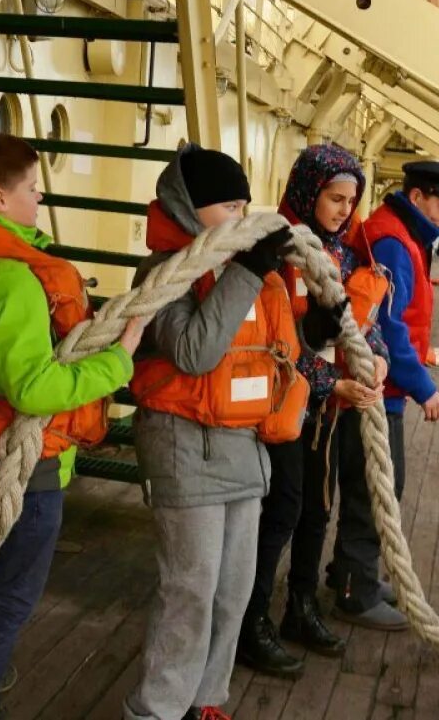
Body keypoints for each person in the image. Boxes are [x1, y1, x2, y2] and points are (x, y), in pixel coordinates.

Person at [0, 132, 144, 720]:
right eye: (31, 187)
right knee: (9, 595)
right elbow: (34, 390)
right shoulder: (9, 279)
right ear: (0, 200)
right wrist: (119, 358)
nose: (39, 194)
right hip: (20, 460)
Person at [123, 145, 307, 720]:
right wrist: (250, 270)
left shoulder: (246, 273)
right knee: (190, 595)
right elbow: (195, 352)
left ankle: (206, 702)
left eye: (244, 204)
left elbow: (278, 352)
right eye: (229, 205)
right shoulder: (162, 274)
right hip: (184, 450)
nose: (242, 215)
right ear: (189, 209)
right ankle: (155, 712)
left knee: (232, 595)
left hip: (244, 453)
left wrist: (320, 320)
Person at [239, 144, 389, 677]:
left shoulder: (343, 257)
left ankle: (299, 607)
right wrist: (333, 383)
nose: (344, 209)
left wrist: (377, 365)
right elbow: (275, 344)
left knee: (316, 512)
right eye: (334, 197)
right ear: (308, 192)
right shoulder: (278, 252)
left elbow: (357, 329)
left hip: (323, 410)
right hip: (284, 407)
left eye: (351, 200)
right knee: (280, 510)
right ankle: (249, 622)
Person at [333, 160, 439, 630]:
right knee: (375, 492)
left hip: (380, 388)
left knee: (373, 487)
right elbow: (388, 327)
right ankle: (355, 591)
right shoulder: (393, 240)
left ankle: (350, 573)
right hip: (372, 391)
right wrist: (425, 389)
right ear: (416, 198)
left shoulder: (401, 234)